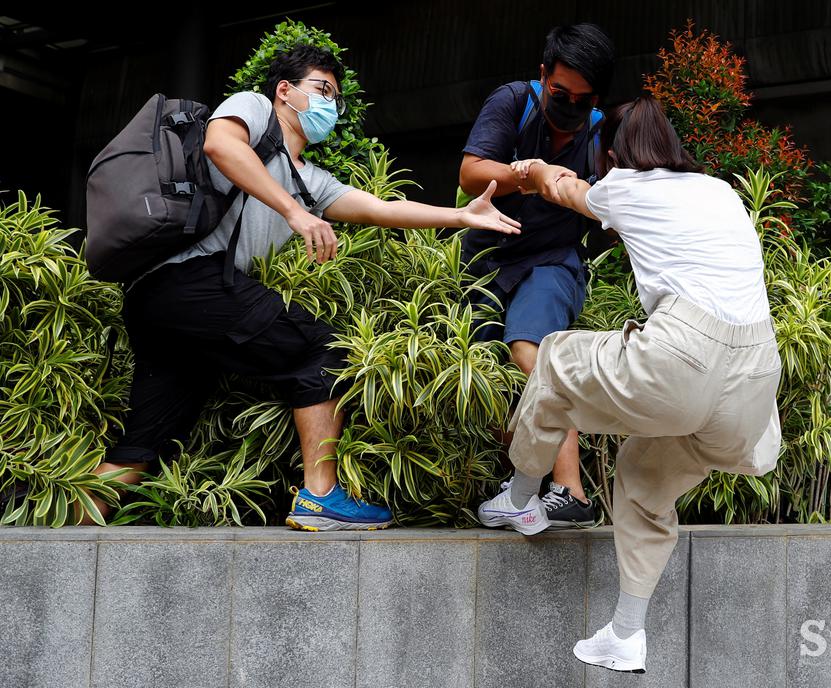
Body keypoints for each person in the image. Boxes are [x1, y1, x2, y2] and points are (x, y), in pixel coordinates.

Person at [87, 45, 520, 531]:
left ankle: (66, 529)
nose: (330, 105)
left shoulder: (308, 181)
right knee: (323, 349)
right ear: (285, 91)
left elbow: (380, 209)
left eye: (336, 97)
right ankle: (320, 495)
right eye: (322, 89)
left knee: (143, 441)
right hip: (189, 279)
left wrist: (461, 214)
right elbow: (220, 146)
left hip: (161, 302)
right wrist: (294, 213)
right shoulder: (253, 107)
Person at [477, 95, 782, 672]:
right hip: (753, 386)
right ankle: (626, 635)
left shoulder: (624, 186)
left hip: (685, 356)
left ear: (614, 153)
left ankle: (519, 499)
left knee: (557, 358)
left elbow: (563, 192)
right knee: (643, 475)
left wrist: (536, 169)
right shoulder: (722, 191)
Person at [459, 23, 615, 528]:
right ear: (543, 74)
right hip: (486, 259)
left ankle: (570, 491)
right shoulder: (511, 103)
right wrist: (532, 173)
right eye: (560, 93)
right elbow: (471, 174)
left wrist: (575, 185)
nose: (570, 105)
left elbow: (614, 204)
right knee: (487, 374)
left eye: (582, 98)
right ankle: (519, 489)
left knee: (533, 351)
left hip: (553, 261)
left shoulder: (601, 132)